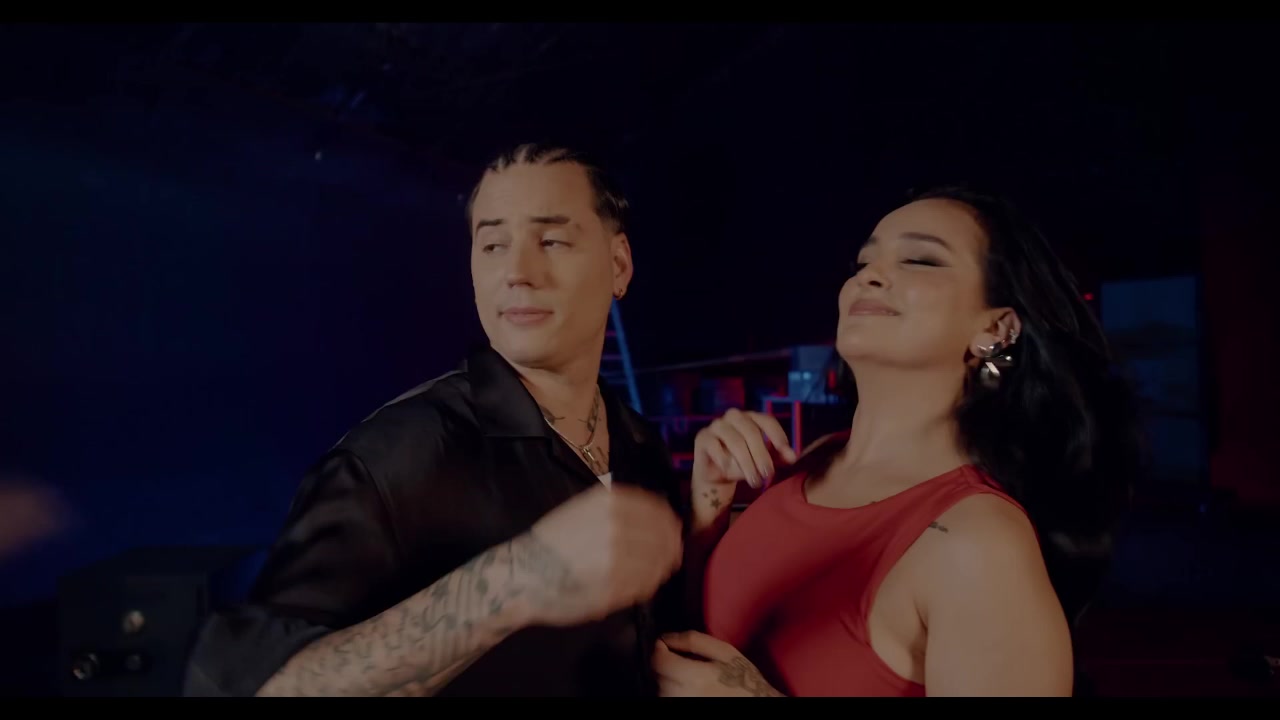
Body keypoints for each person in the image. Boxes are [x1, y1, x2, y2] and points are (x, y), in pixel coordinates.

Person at [183, 143, 688, 697]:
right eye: (493, 245)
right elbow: (256, 689)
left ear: (619, 265)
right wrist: (512, 580)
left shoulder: (638, 441)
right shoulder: (396, 456)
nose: (518, 272)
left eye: (551, 241)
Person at [652, 186, 1141, 697]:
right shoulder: (813, 464)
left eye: (919, 260)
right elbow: (693, 644)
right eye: (864, 262)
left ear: (996, 330)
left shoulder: (978, 543)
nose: (869, 276)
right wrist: (709, 506)